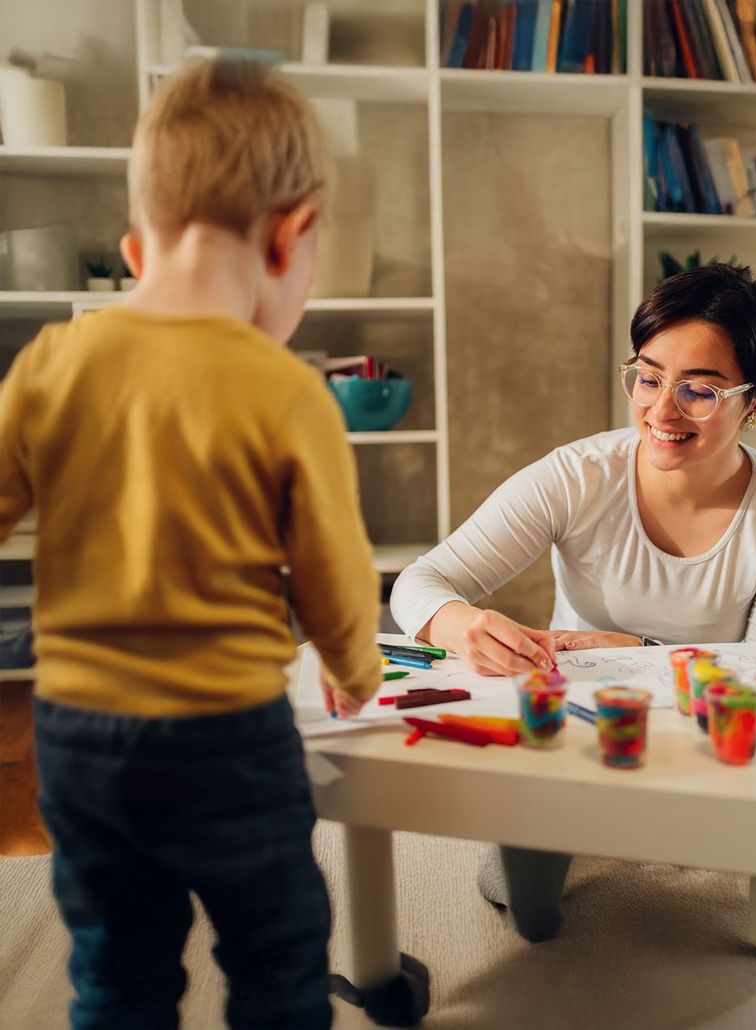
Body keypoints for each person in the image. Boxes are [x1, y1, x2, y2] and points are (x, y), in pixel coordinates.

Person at [390, 262, 756, 943]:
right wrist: (460, 622)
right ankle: (733, 830)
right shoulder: (574, 477)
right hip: (582, 726)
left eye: (699, 391)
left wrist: (640, 651)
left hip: (720, 731)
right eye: (647, 377)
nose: (660, 410)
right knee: (514, 893)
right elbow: (420, 582)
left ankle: (621, 818)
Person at [0, 60, 382, 1028]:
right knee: (276, 953)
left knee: (118, 968)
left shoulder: (51, 362)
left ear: (136, 249)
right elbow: (332, 572)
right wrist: (354, 667)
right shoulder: (287, 389)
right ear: (291, 234)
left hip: (77, 735)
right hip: (227, 736)